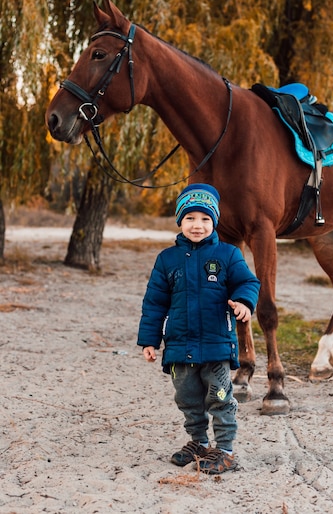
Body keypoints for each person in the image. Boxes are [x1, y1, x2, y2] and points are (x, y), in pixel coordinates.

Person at [137, 183, 260, 474]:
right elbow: (154, 302)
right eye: (190, 218)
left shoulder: (228, 255)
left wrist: (243, 302)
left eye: (205, 219)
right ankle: (199, 442)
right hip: (179, 347)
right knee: (187, 399)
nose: (198, 225)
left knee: (219, 398)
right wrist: (149, 341)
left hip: (216, 344)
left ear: (214, 221)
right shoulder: (167, 259)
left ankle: (225, 450)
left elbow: (248, 282)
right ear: (180, 220)